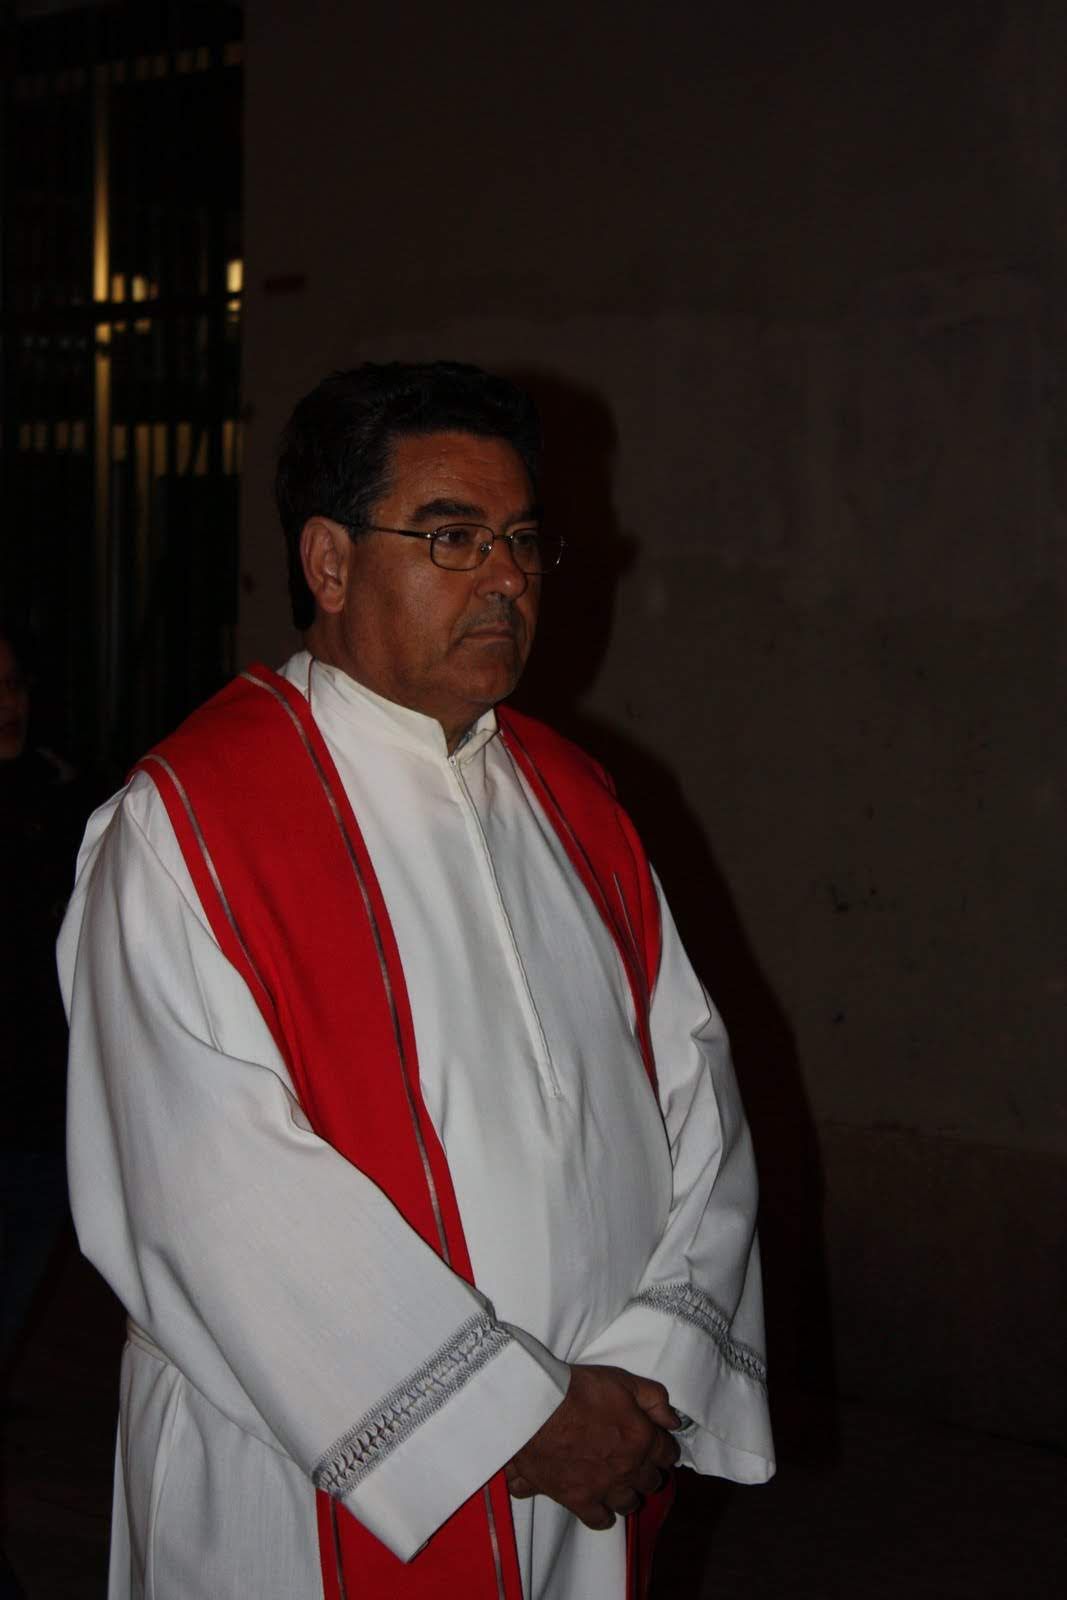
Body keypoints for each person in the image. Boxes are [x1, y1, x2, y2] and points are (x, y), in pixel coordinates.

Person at [59, 362, 774, 1600]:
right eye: (452, 537)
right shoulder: (190, 826)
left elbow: (696, 1093)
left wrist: (644, 1368)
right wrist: (510, 1415)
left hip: (594, 1447)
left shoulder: (579, 804)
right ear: (328, 564)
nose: (505, 579)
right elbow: (205, 1191)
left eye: (523, 541)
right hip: (316, 1482)